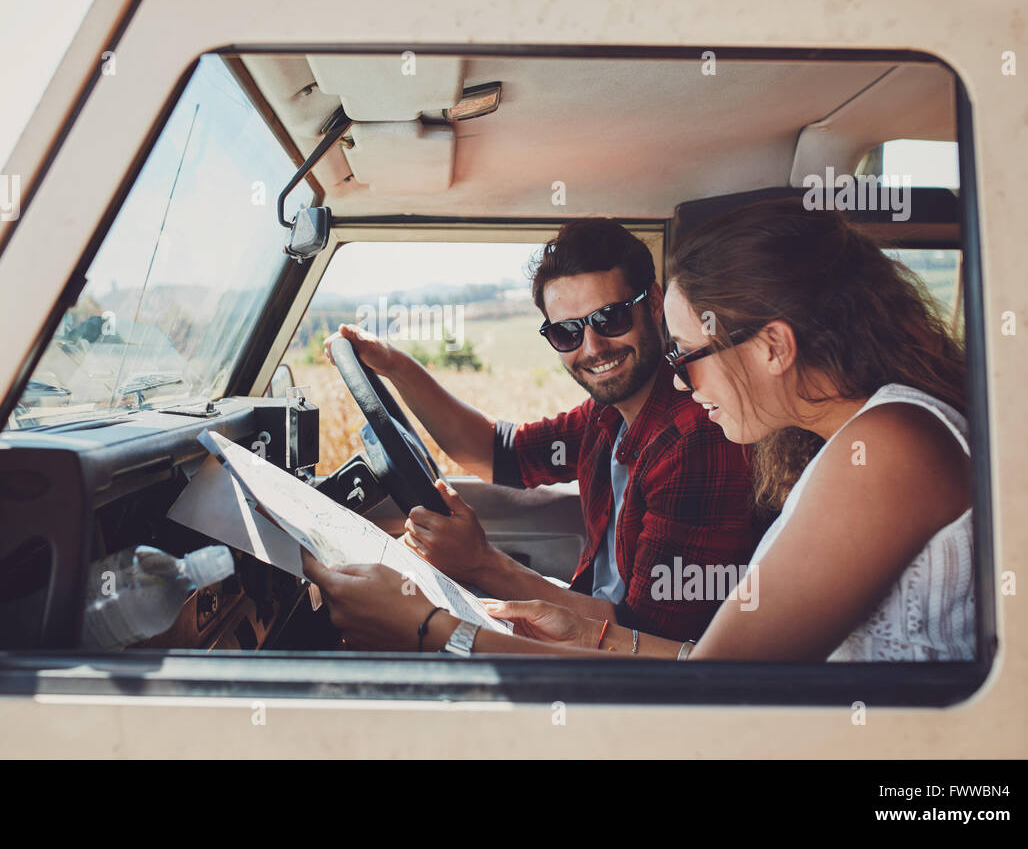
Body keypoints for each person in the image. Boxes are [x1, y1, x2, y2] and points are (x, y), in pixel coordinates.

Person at [306, 199, 974, 662]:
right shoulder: (859, 440)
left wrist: (432, 632)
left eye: (689, 355)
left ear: (772, 347)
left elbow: (711, 689)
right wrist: (586, 634)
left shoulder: (885, 450)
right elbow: (715, 666)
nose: (682, 382)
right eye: (567, 332)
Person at [322, 217, 760, 643]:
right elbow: (501, 453)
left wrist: (482, 564)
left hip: (625, 667)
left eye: (610, 319)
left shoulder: (694, 438)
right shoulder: (606, 416)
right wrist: (396, 365)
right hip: (593, 626)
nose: (592, 348)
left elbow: (644, 639)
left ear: (654, 303)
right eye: (567, 332)